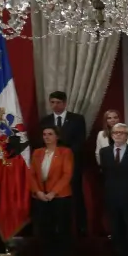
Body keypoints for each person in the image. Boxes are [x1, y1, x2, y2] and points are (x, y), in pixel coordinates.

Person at [38, 91, 87, 235]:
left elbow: (80, 142)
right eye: (52, 102)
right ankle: (54, 229)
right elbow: (43, 143)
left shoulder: (77, 119)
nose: (55, 105)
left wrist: (64, 156)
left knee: (75, 196)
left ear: (65, 103)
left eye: (58, 102)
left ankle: (79, 227)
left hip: (71, 164)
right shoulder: (45, 121)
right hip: (51, 167)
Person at [31, 125, 75, 256]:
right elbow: (31, 175)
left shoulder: (65, 152)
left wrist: (53, 193)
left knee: (61, 227)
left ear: (57, 136)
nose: (47, 137)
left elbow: (67, 174)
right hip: (41, 196)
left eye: (50, 134)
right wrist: (38, 192)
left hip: (60, 196)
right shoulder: (37, 153)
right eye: (44, 134)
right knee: (45, 228)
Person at [100, 123, 128, 256]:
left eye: (121, 133)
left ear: (127, 136)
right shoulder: (104, 152)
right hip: (111, 195)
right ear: (111, 135)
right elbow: (105, 173)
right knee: (115, 227)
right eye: (115, 132)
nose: (118, 135)